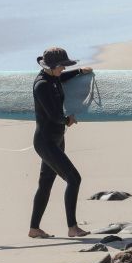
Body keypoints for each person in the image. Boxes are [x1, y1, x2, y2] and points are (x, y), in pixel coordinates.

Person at [29, 47, 92, 238]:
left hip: (56, 139)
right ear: (52, 66)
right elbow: (54, 115)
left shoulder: (52, 78)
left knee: (46, 183)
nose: (63, 69)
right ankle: (72, 227)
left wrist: (79, 72)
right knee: (74, 179)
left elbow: (60, 79)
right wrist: (68, 120)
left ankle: (34, 229)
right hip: (46, 141)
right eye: (62, 66)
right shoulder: (41, 85)